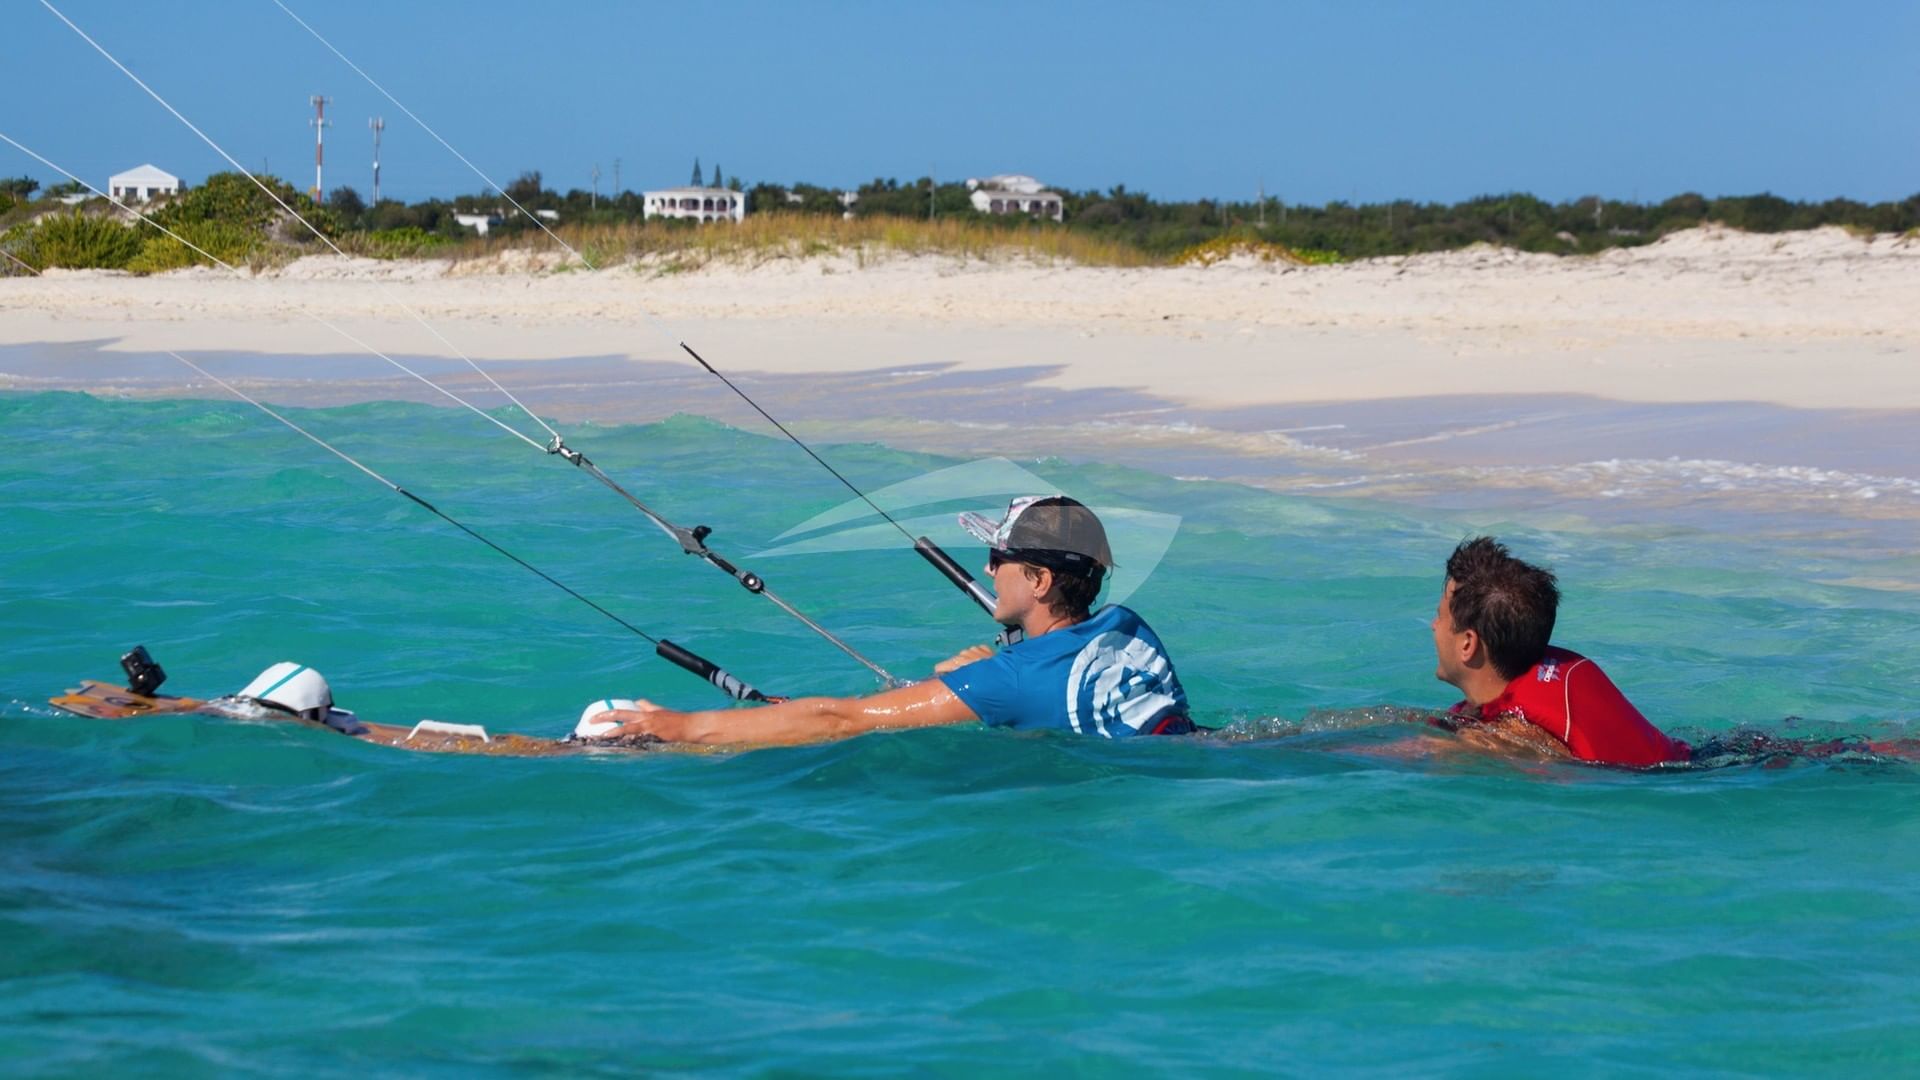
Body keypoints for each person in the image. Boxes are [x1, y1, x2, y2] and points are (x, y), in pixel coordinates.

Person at [588, 496, 1192, 747]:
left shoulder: (1007, 681)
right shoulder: (1125, 625)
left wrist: (683, 727)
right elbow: (1055, 676)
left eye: (1001, 560)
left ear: (1037, 582)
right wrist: (1005, 667)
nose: (987, 567)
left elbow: (840, 717)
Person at [1430, 536, 1690, 768]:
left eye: (1439, 616)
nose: (1434, 626)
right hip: (1699, 757)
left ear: (1467, 644)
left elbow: (1418, 756)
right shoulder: (1524, 667)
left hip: (1682, 781)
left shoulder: (1512, 735)